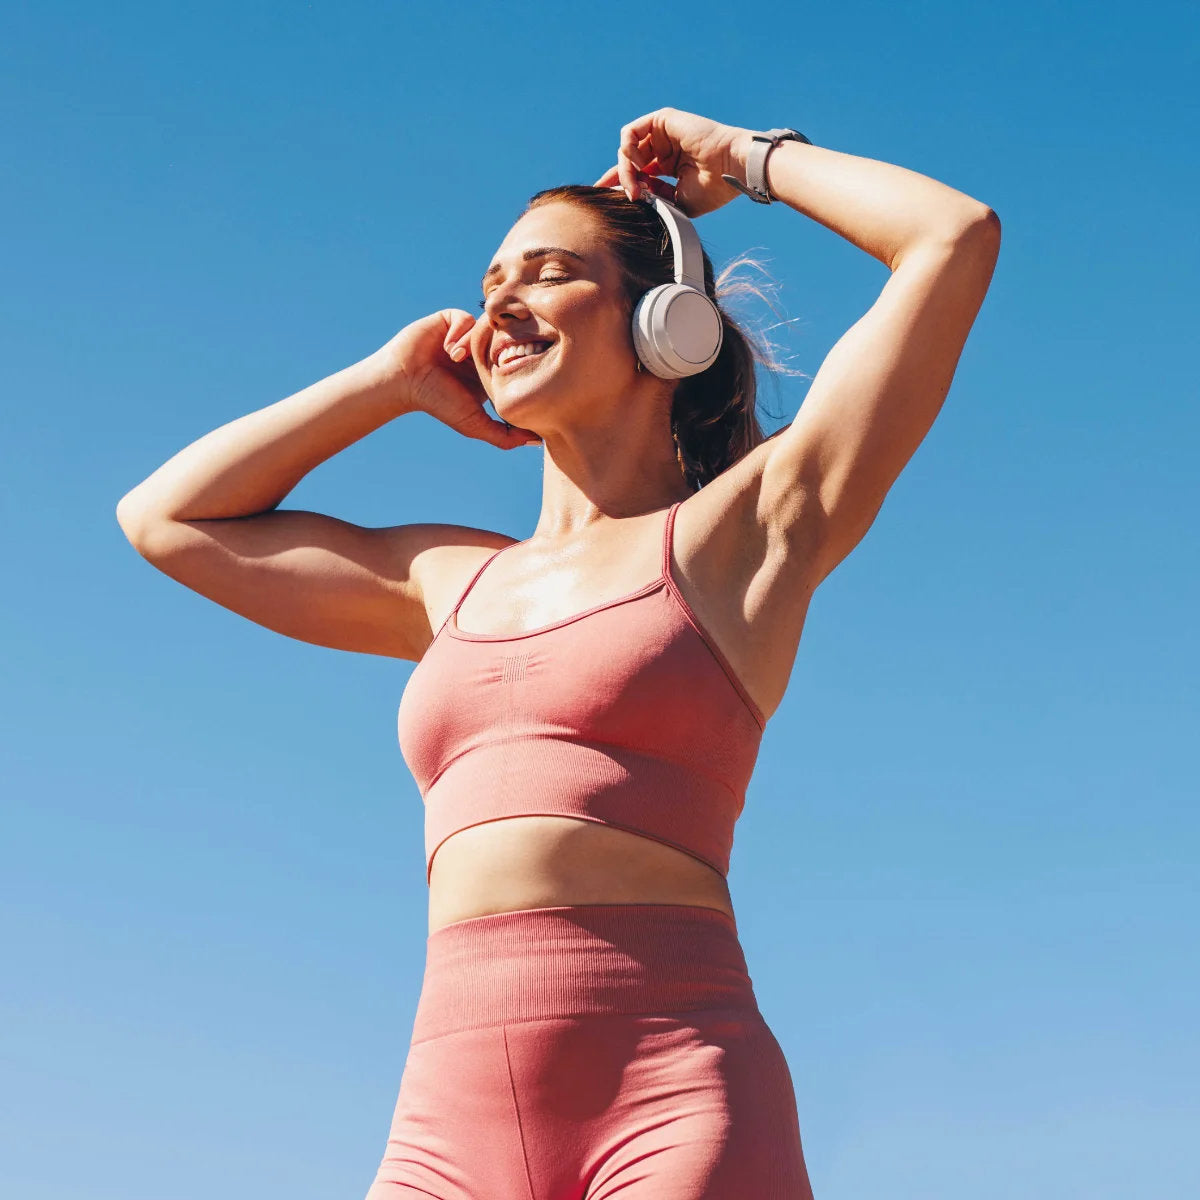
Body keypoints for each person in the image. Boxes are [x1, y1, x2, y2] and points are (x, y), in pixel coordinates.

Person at [116, 107, 1000, 1199]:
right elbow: (167, 521)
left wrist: (742, 158)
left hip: (672, 1095)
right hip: (442, 1123)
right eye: (491, 285)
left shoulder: (742, 534)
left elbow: (951, 237)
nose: (500, 304)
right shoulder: (445, 579)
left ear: (662, 325)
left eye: (545, 273)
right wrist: (385, 383)